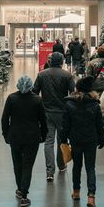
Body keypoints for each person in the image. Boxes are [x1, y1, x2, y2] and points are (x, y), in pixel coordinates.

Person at [1, 76, 48, 207]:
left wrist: (6, 135)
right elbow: (43, 120)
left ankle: (20, 189)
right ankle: (24, 195)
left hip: (15, 137)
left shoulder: (11, 99)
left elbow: (5, 119)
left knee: (17, 165)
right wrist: (44, 135)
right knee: (28, 166)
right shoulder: (37, 100)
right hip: (32, 137)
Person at [61, 76, 104, 207]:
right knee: (90, 167)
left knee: (77, 166)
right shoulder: (95, 105)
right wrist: (101, 139)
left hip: (76, 140)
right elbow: (99, 124)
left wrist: (63, 139)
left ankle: (76, 192)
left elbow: (65, 125)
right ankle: (91, 197)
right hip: (91, 140)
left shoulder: (69, 104)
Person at [33, 51, 75, 181]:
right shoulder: (67, 75)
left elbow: (35, 92)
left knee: (48, 141)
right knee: (61, 140)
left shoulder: (42, 74)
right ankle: (61, 165)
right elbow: (73, 93)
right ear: (62, 62)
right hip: (62, 113)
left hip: (46, 112)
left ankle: (49, 171)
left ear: (50, 62)